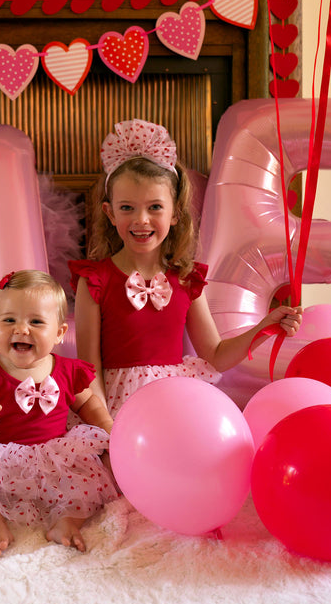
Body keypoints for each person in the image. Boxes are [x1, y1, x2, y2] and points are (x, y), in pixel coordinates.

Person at [71, 118, 303, 417]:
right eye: (127, 207)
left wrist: (264, 327)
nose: (141, 219)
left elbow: (216, 355)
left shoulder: (186, 279)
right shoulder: (95, 281)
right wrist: (107, 430)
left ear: (175, 214)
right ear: (110, 213)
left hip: (177, 404)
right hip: (118, 411)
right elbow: (90, 371)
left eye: (155, 207)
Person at [0, 270, 117, 559]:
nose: (21, 329)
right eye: (9, 320)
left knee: (87, 482)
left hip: (54, 456)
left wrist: (108, 429)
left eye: (36, 322)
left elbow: (88, 403)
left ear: (59, 333)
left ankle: (66, 521)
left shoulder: (67, 370)